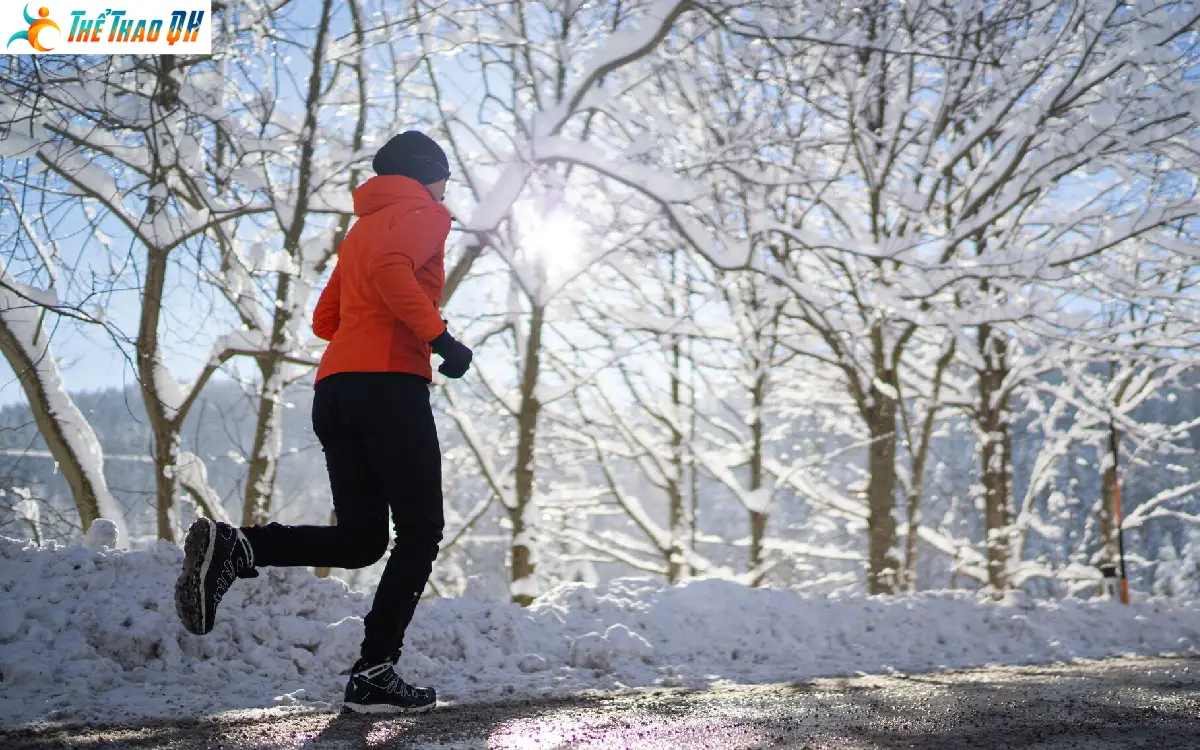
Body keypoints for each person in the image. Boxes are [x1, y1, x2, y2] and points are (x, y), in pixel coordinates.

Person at [173, 131, 473, 714]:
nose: (446, 188)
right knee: (421, 531)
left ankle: (239, 547)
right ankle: (374, 672)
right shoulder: (426, 215)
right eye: (444, 175)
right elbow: (392, 273)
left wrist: (377, 332)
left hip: (335, 390)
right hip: (389, 387)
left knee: (362, 541)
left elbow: (326, 318)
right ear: (425, 173)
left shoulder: (363, 228)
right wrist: (439, 338)